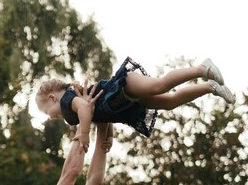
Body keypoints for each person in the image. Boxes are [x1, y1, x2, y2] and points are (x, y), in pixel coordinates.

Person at [35, 57, 235, 149]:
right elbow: (102, 116)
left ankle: (201, 69)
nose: (51, 117)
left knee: (160, 86)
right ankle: (210, 88)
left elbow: (86, 109)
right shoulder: (76, 104)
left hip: (124, 87)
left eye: (47, 112)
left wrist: (84, 134)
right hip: (126, 102)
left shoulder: (70, 100)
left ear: (53, 98)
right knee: (169, 102)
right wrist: (109, 137)